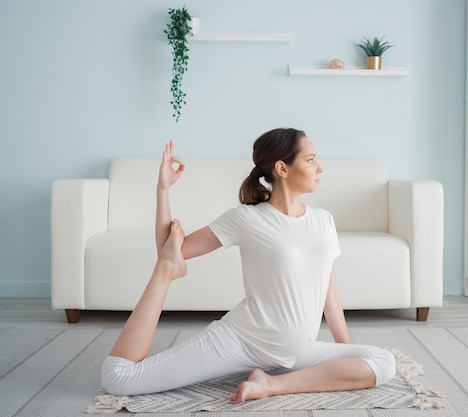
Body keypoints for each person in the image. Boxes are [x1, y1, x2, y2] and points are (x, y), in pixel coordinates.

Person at [100, 128, 396, 403]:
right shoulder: (247, 219)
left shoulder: (324, 221)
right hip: (241, 341)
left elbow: (330, 297)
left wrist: (345, 354)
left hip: (301, 351)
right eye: (310, 159)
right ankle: (272, 377)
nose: (320, 168)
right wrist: (163, 190)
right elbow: (170, 251)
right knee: (119, 379)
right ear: (282, 168)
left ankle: (271, 384)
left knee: (384, 363)